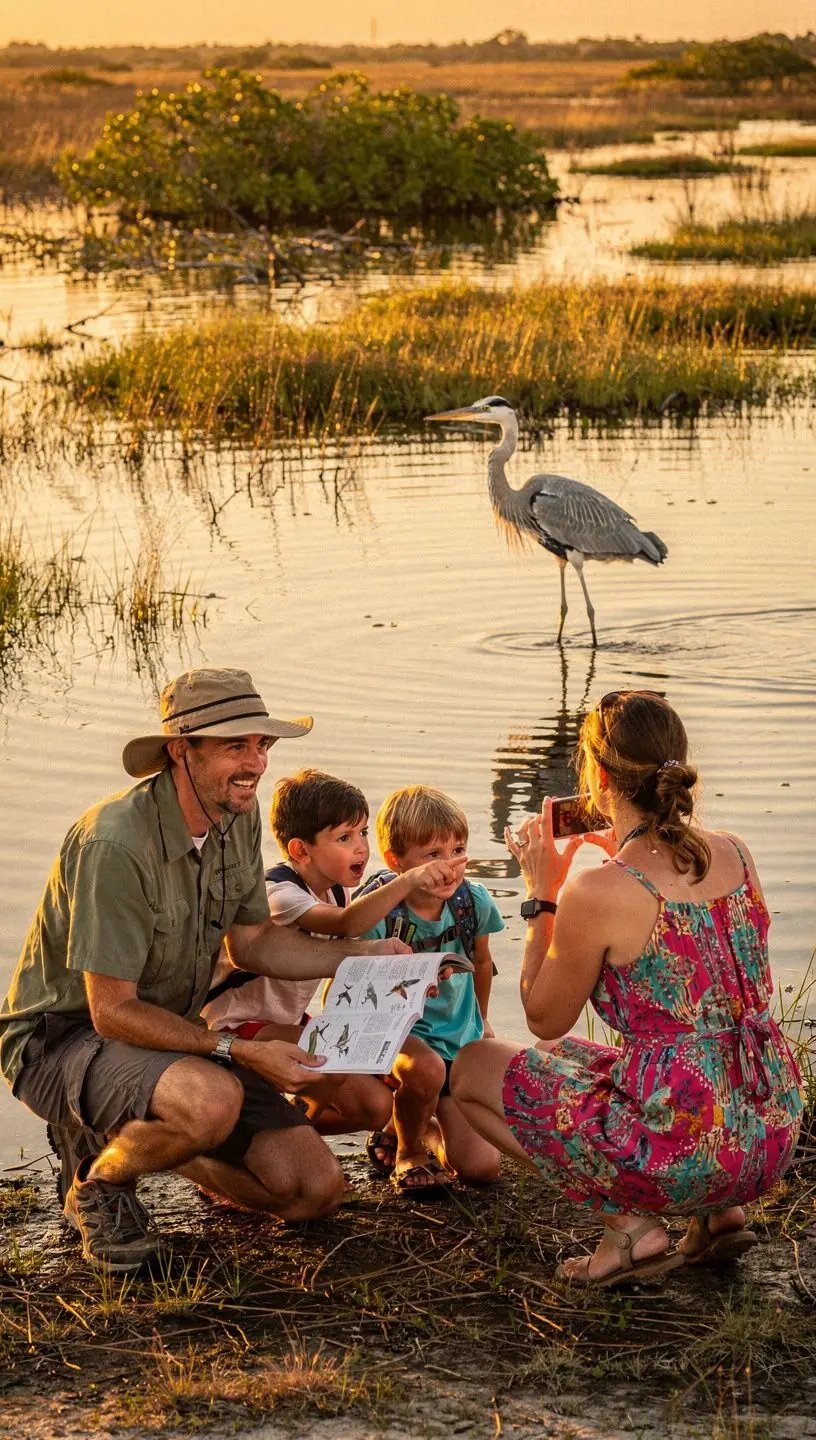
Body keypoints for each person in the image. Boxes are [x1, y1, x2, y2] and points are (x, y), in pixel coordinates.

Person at [0, 669, 408, 1273]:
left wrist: (364, 958)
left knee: (312, 1191)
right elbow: (109, 1011)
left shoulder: (237, 818)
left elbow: (255, 947)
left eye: (262, 745)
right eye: (234, 745)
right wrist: (237, 1053)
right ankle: (98, 1183)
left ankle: (138, 1140)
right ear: (180, 750)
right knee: (211, 1098)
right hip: (63, 1040)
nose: (255, 763)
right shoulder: (113, 844)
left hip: (164, 1036)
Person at [451, 690, 803, 1287]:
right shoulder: (736, 852)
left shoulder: (599, 889)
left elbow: (541, 1015)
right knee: (566, 1060)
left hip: (685, 1148)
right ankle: (720, 1216)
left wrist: (544, 895)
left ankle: (631, 1231)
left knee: (472, 1067)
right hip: (769, 1131)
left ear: (599, 776)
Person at [202, 768, 468, 1141]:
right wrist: (406, 880)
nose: (361, 847)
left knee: (373, 1108)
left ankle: (262, 1132)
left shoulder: (336, 890)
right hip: (234, 1026)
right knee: (330, 1058)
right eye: (344, 837)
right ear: (300, 850)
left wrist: (416, 975)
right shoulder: (279, 893)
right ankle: (284, 1140)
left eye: (362, 833)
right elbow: (345, 926)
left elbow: (354, 952)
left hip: (287, 1021)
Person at [362, 785, 504, 1193]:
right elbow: (347, 984)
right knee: (426, 1069)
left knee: (481, 1169)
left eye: (458, 850)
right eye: (432, 855)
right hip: (402, 1038)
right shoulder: (380, 911)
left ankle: (424, 1129)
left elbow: (481, 962)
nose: (449, 866)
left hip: (455, 1040)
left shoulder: (472, 902)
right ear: (396, 861)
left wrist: (482, 1020)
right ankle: (408, 1151)